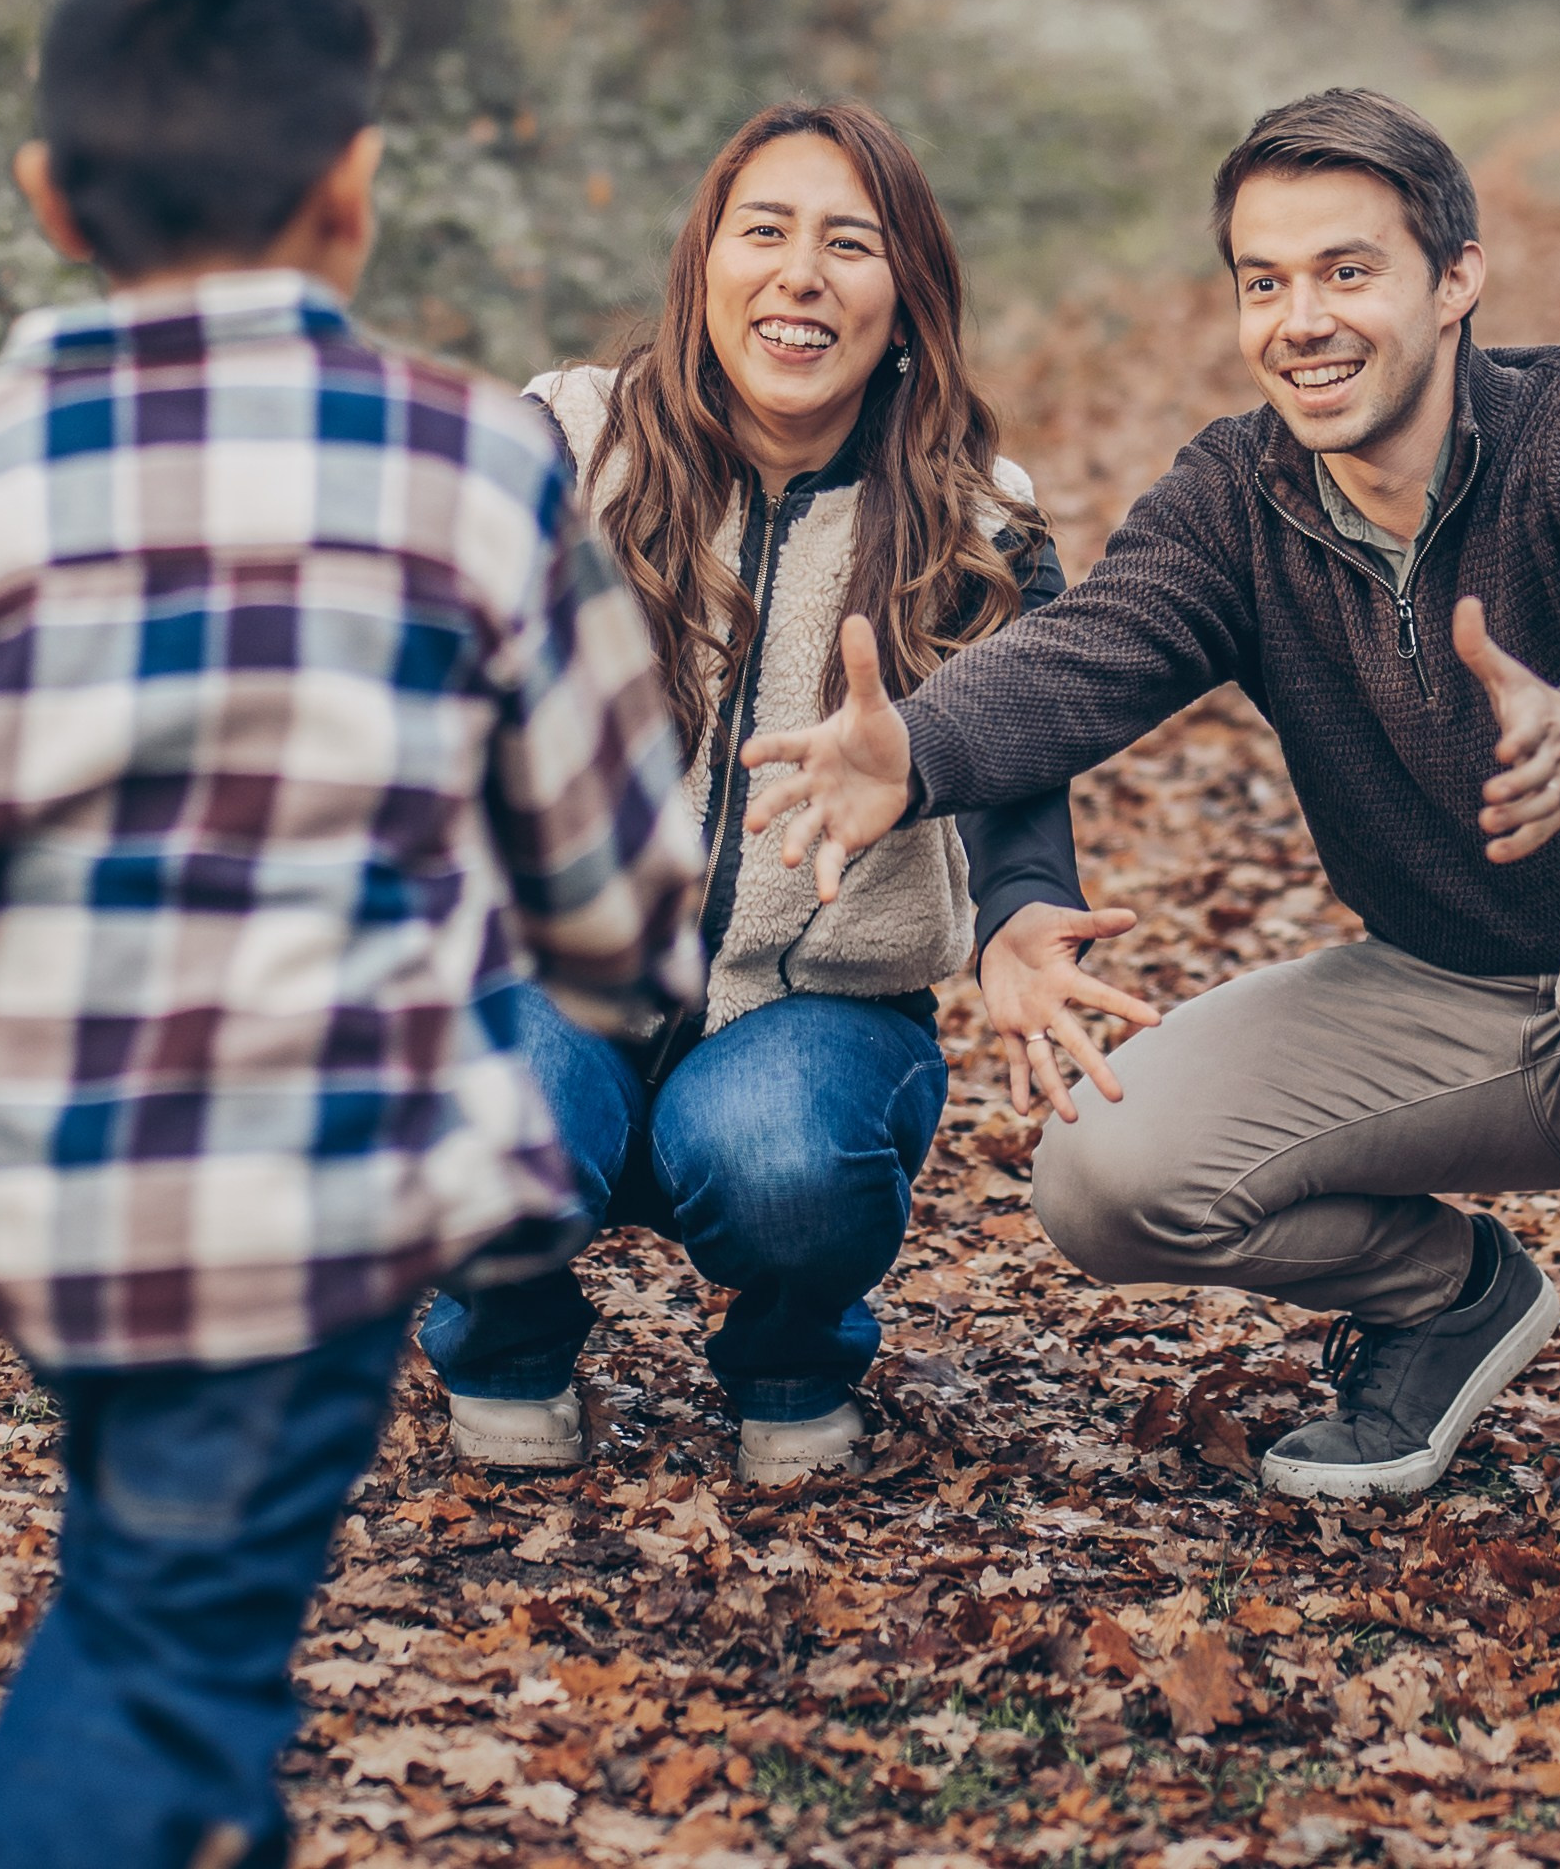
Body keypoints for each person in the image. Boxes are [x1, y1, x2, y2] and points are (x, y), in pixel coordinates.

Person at [739, 87, 1560, 1591]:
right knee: (1107, 1170)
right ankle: (1452, 1298)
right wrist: (922, 749)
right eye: (1264, 281)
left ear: (1456, 278)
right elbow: (1096, 647)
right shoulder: (1242, 496)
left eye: (1348, 272)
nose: (1303, 321)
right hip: (1473, 991)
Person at [0, 0, 704, 1869]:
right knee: (167, 1648)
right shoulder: (470, 466)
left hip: (21, 1164)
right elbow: (623, 897)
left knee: (172, 1570)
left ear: (47, 197)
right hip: (300, 1179)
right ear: (355, 187)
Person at [420, 100, 1155, 1487]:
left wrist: (1021, 916)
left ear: (908, 294)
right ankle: (504, 1343)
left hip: (816, 1011)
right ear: (706, 261)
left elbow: (1017, 773)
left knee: (782, 1159)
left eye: (849, 244)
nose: (800, 275)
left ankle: (792, 1359)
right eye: (764, 231)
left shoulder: (976, 517)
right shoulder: (567, 443)